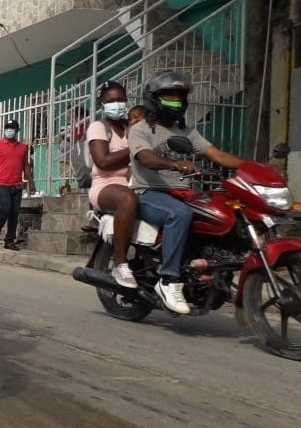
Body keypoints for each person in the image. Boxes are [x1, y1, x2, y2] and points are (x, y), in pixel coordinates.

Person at [129, 70, 247, 315]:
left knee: (223, 212)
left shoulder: (187, 132)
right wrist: (173, 164)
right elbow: (146, 158)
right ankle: (169, 280)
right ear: (153, 99)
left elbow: (218, 155)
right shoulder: (140, 129)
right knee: (179, 214)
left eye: (179, 97)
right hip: (149, 193)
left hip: (183, 193)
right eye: (169, 96)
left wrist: (254, 167)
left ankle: (211, 267)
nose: (175, 101)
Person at [87, 81, 139, 288]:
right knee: (127, 199)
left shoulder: (133, 126)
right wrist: (135, 148)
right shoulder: (98, 127)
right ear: (102, 103)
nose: (117, 104)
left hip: (136, 182)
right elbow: (103, 162)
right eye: (111, 101)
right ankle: (120, 264)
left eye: (120, 100)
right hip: (105, 185)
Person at [0, 119, 35, 250]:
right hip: (1, 183)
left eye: (12, 128)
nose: (9, 130)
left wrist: (31, 183)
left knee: (14, 213)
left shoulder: (23, 147)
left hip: (17, 185)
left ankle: (9, 241)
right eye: (7, 128)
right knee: (5, 208)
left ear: (17, 130)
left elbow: (26, 166)